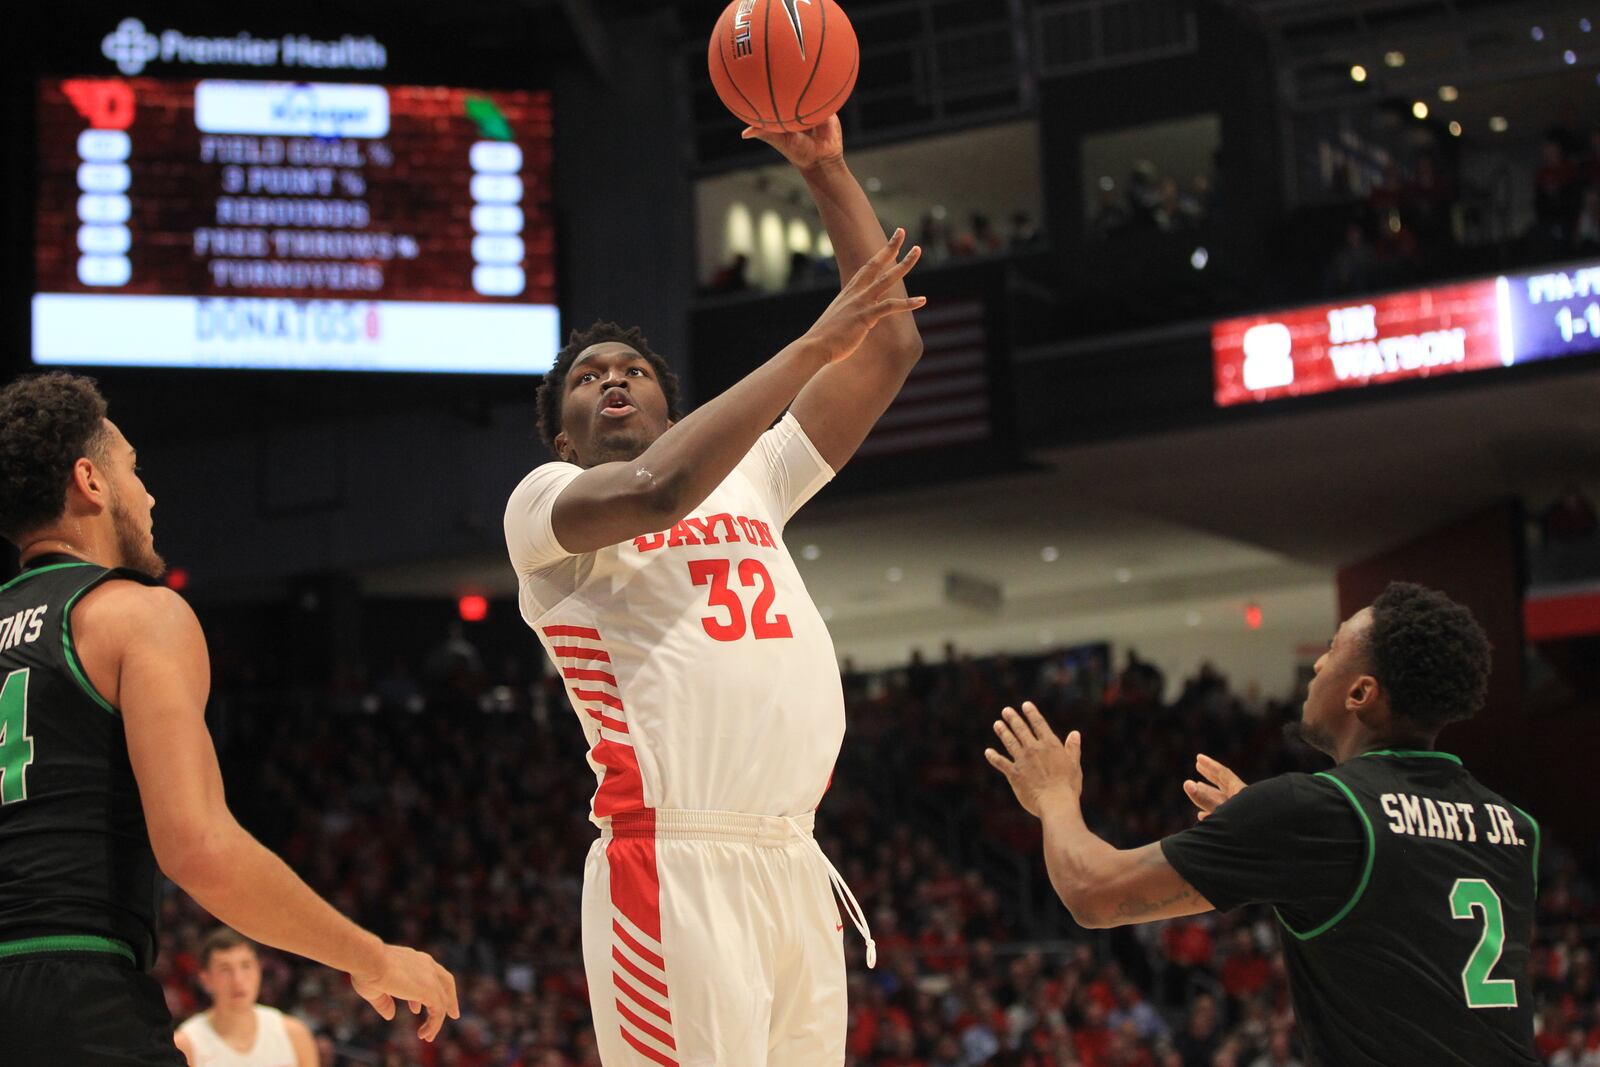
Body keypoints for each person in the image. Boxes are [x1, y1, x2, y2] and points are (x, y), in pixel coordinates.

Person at [503, 114, 925, 1066]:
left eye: (634, 370)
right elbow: (659, 488)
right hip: (672, 860)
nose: (613, 378)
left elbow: (892, 349)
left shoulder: (756, 476)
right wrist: (813, 345)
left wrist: (826, 170)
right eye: (587, 378)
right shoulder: (547, 504)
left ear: (670, 406)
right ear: (564, 436)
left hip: (792, 856)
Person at [0, 373, 458, 1066]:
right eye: (134, 469)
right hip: (76, 993)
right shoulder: (136, 615)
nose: (149, 494)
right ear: (90, 481)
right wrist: (372, 955)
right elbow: (199, 849)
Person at [985, 582, 1540, 1066]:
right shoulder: (1514, 826)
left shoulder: (1317, 813)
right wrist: (1272, 839)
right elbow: (1405, 915)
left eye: (1332, 649)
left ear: (1360, 693)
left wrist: (1054, 796)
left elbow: (1092, 891)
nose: (1319, 663)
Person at [175, 928, 316, 1067]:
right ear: (206, 979)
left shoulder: (293, 1035)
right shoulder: (186, 1045)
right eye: (225, 969)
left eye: (246, 966)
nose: (238, 980)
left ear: (258, 971)